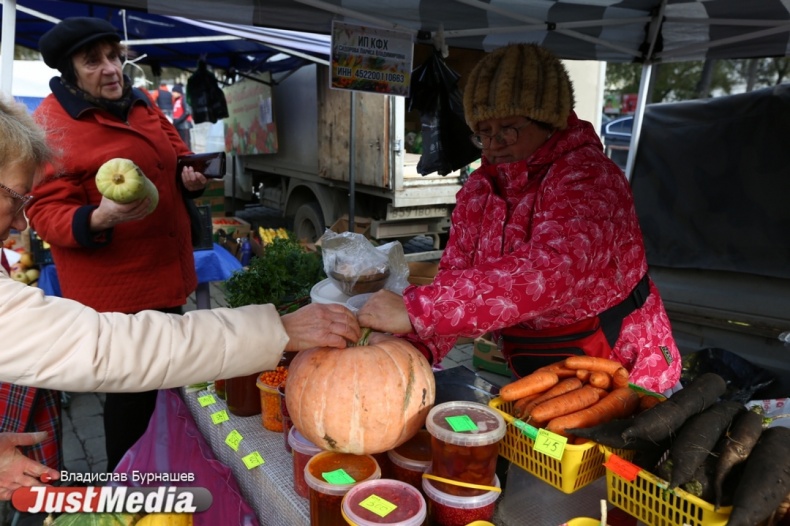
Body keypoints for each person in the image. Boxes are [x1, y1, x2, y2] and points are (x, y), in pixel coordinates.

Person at [0, 92, 360, 500]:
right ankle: (127, 484)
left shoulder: (143, 106)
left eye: (115, 60)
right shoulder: (59, 116)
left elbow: (175, 159)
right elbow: (107, 348)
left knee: (159, 402)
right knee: (128, 405)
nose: (20, 224)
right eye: (16, 197)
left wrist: (187, 179)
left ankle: (154, 470)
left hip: (163, 280)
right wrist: (276, 330)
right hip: (112, 294)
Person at [358, 43, 681, 395]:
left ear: (550, 120)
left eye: (508, 128)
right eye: (483, 132)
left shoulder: (589, 177)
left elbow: (553, 271)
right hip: (543, 371)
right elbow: (456, 275)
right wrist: (414, 346)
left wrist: (421, 310)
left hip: (625, 368)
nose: (494, 144)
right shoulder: (481, 189)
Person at [171, 83, 193, 149]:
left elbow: (187, 111)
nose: (173, 94)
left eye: (174, 92)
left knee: (186, 145)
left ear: (178, 92)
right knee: (180, 145)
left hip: (184, 125)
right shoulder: (176, 100)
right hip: (178, 126)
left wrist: (178, 121)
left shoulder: (184, 98)